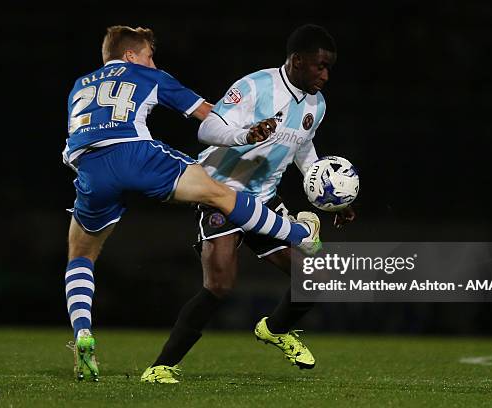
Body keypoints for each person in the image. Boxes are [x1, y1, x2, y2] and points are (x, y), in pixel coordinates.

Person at [62, 25, 323, 382]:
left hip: (89, 168)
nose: (153, 63)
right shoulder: (163, 76)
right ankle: (300, 232)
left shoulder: (80, 84)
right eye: (150, 56)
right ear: (131, 56)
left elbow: (75, 139)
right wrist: (245, 130)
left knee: (80, 255)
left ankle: (82, 334)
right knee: (219, 203)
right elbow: (209, 118)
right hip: (137, 155)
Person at [141, 24, 355, 384]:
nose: (325, 74)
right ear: (297, 61)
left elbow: (302, 149)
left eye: (329, 67)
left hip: (265, 200)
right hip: (220, 193)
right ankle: (161, 366)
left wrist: (331, 198)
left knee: (313, 277)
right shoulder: (255, 87)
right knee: (221, 285)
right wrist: (245, 134)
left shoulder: (316, 104)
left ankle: (275, 329)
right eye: (319, 66)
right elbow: (207, 129)